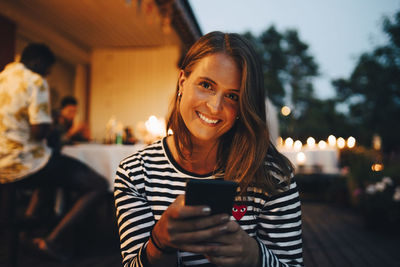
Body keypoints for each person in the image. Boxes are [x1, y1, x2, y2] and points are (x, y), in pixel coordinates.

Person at [114, 31, 303, 267]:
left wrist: (254, 257)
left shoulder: (272, 177)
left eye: (233, 96)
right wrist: (160, 242)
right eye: (206, 85)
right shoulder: (136, 173)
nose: (215, 106)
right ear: (182, 82)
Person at [0, 43, 108, 260]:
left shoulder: (4, 76)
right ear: (39, 63)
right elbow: (39, 132)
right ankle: (52, 241)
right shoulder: (35, 80)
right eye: (48, 68)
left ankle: (28, 231)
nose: (48, 73)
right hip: (23, 163)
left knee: (53, 168)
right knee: (97, 184)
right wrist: (51, 124)